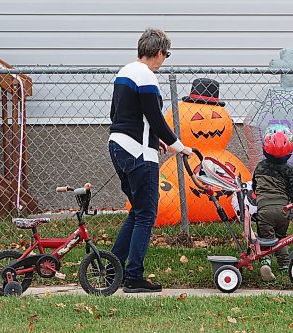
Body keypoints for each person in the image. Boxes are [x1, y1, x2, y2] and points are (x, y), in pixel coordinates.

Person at [108, 28, 192, 293]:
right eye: (165, 55)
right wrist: (180, 147)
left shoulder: (124, 72)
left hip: (118, 146)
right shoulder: (147, 76)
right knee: (146, 214)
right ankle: (134, 277)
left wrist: (155, 139)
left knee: (136, 210)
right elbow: (155, 118)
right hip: (139, 154)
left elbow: (120, 114)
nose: (164, 59)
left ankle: (113, 269)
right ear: (158, 52)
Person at [252, 124, 293, 281]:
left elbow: (254, 187)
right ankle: (285, 265)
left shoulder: (260, 167)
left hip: (264, 211)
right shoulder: (289, 170)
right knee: (281, 238)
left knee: (265, 239)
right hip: (283, 211)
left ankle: (265, 262)